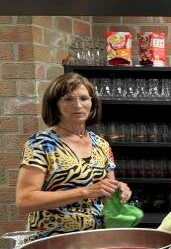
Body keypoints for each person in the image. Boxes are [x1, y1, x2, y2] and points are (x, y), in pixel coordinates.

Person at [16, 73, 131, 238]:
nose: (78, 105)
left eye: (83, 98)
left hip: (96, 238)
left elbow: (107, 192)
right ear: (55, 105)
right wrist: (85, 192)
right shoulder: (41, 144)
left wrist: (118, 191)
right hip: (52, 240)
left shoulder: (101, 144)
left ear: (92, 103)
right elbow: (24, 201)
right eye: (68, 99)